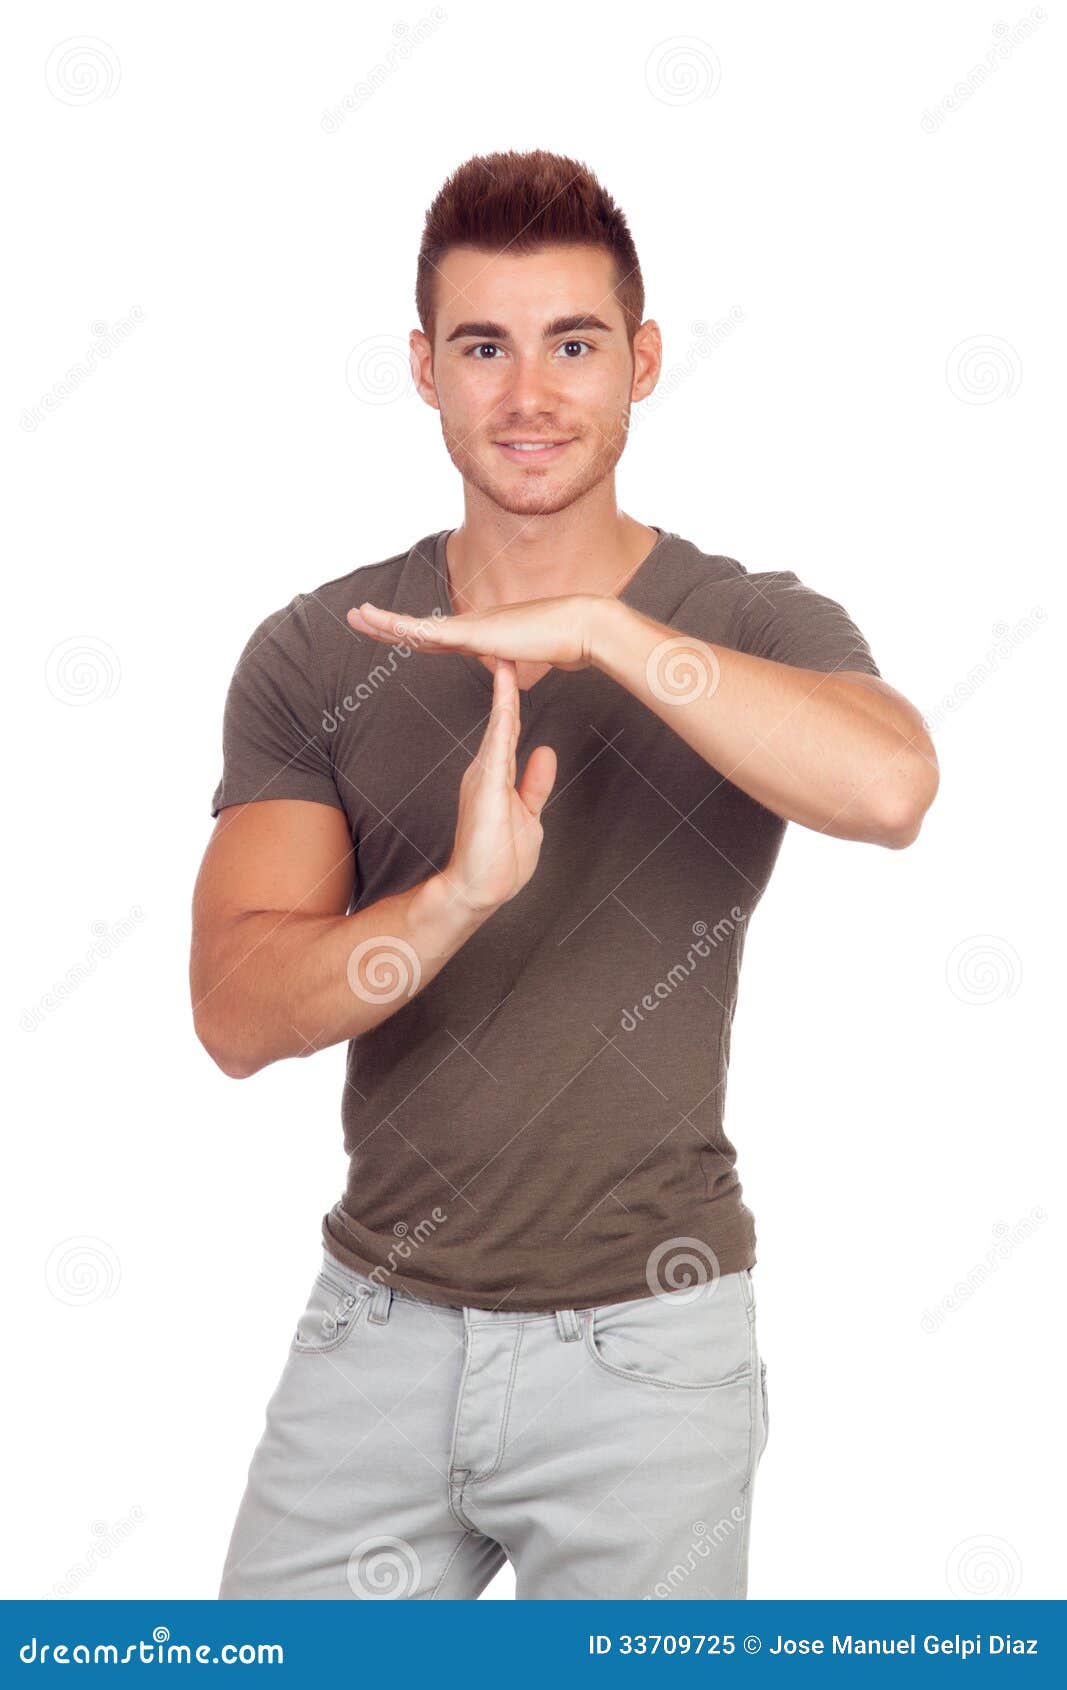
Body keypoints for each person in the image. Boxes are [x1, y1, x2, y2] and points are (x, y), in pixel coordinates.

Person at [192, 149, 938, 1601]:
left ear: (643, 360)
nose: (528, 394)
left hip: (650, 1355)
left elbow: (892, 786)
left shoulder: (742, 618)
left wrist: (606, 629)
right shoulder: (320, 649)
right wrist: (451, 901)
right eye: (484, 346)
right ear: (423, 368)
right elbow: (233, 1012)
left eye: (573, 343)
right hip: (376, 1333)